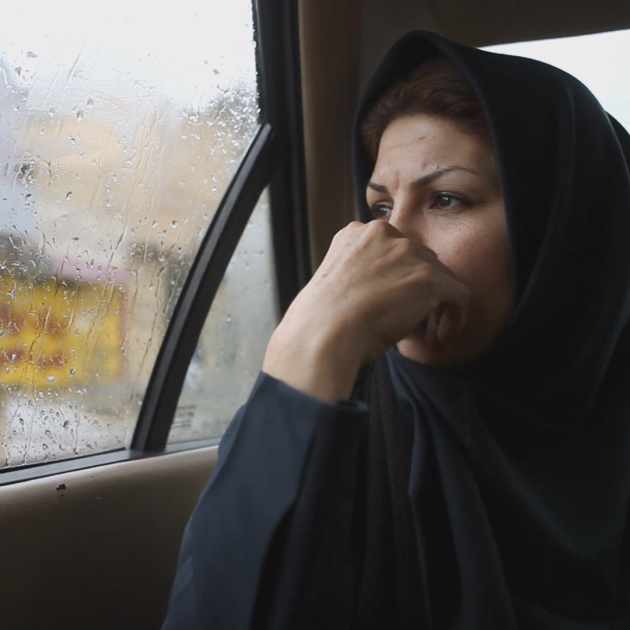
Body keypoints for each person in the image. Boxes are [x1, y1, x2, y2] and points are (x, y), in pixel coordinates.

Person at [161, 31, 630, 629]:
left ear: (564, 241)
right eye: (380, 206)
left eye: (448, 199)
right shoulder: (334, 423)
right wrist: (308, 344)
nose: (388, 239)